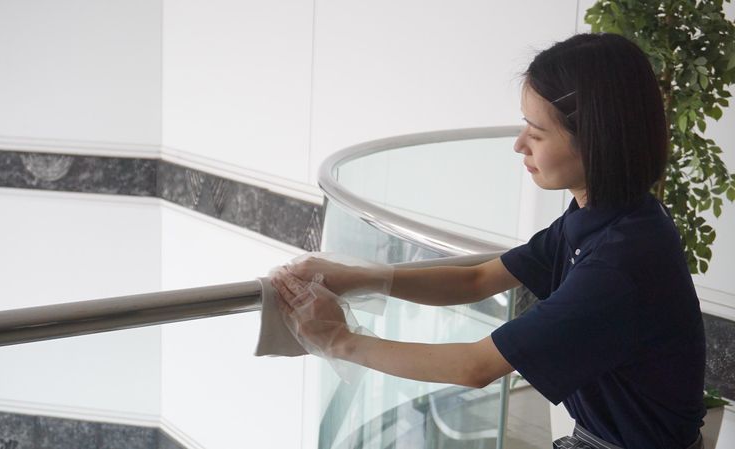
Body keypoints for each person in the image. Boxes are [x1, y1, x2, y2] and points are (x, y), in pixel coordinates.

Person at [271, 33, 706, 449]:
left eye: (536, 133)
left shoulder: (619, 263)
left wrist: (338, 341)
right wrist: (354, 277)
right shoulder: (606, 216)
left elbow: (475, 367)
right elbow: (476, 279)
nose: (519, 145)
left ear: (595, 141)